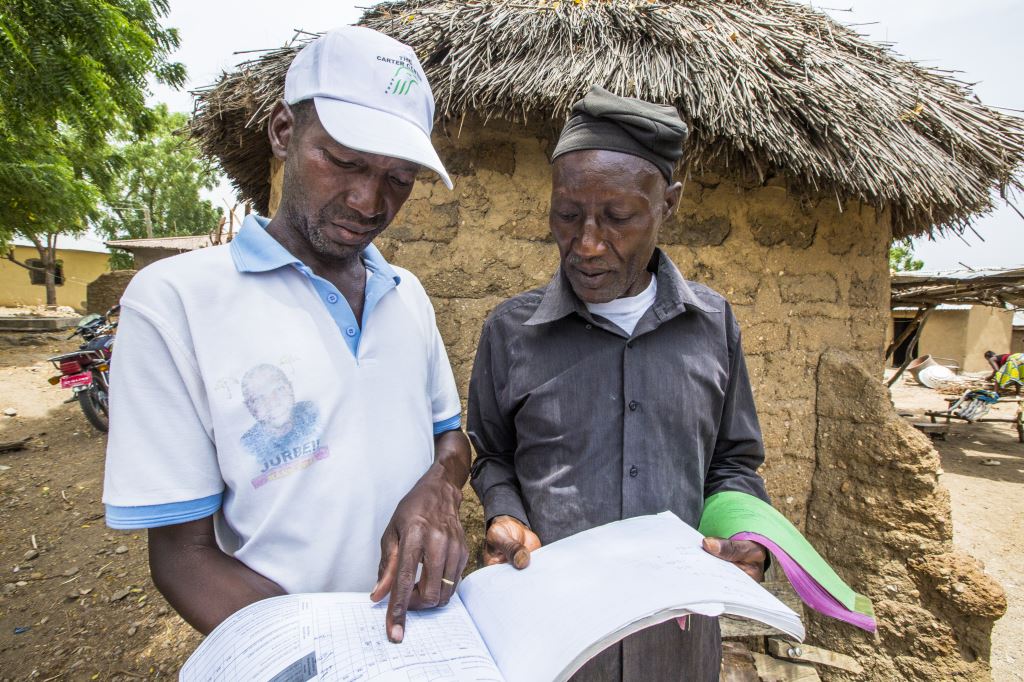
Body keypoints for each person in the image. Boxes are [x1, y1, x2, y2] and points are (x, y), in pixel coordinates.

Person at [102, 26, 471, 644]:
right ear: (282, 133)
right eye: (344, 161)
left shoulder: (408, 296)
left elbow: (449, 439)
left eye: (399, 178)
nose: (367, 200)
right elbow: (183, 558)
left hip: (422, 645)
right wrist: (325, 653)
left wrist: (438, 488)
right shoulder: (176, 303)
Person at [468, 86, 771, 680]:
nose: (586, 243)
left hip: (676, 644)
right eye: (567, 215)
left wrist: (745, 533)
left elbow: (734, 463)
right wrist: (502, 514)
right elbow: (494, 456)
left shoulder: (712, 325)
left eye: (619, 218)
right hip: (554, 641)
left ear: (669, 204)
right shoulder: (510, 332)